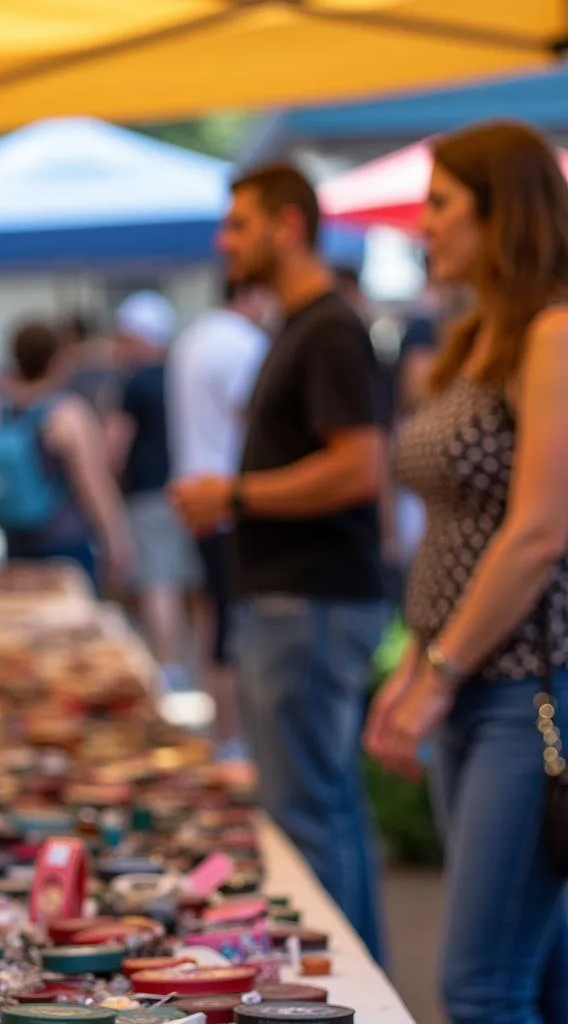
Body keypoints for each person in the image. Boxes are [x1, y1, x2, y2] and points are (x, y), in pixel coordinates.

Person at [364, 120, 568, 1024]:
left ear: (504, 213)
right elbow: (451, 535)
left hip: (533, 692)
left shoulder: (554, 335)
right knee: (535, 979)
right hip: (473, 685)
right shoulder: (482, 336)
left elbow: (537, 532)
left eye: (442, 203)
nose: (424, 223)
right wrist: (414, 666)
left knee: (481, 984)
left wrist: (436, 673)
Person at [171, 163, 388, 960]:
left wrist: (237, 495)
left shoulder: (326, 327)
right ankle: (360, 983)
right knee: (327, 812)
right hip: (303, 601)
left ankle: (332, 994)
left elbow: (359, 466)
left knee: (310, 819)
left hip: (310, 603)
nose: (225, 241)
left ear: (286, 227)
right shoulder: (299, 325)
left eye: (239, 224)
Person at [167, 280, 270, 761]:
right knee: (232, 624)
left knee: (214, 616)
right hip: (230, 501)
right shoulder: (245, 344)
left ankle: (226, 734)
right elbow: (253, 421)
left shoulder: (192, 338)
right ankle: (234, 740)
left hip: (199, 495)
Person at [0, 321, 131, 592]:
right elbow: (94, 483)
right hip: (65, 543)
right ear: (55, 361)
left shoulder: (1, 411)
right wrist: (115, 539)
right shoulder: (67, 413)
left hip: (15, 540)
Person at [105, 292, 200, 697]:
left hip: (148, 492)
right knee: (182, 582)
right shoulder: (180, 373)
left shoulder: (137, 381)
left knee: (158, 581)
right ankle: (185, 664)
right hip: (186, 489)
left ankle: (169, 666)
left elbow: (116, 442)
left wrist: (107, 482)